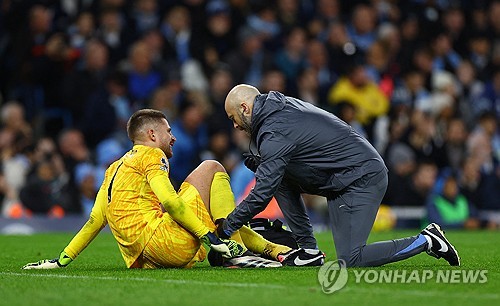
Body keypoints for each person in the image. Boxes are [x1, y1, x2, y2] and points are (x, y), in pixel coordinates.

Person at [23, 109, 302, 270]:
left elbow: (96, 220)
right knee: (212, 167)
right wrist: (211, 238)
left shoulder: (113, 169)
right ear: (153, 135)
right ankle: (237, 251)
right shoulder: (152, 155)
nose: (174, 136)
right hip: (166, 243)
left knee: (218, 216)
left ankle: (270, 249)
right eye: (168, 131)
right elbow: (171, 202)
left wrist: (61, 260)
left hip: (146, 259)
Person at [218, 84, 461, 267]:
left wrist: (227, 227)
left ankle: (427, 240)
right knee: (275, 176)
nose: (235, 126)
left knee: (352, 258)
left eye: (233, 119)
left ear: (244, 108)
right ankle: (309, 250)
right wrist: (265, 165)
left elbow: (261, 195)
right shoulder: (279, 110)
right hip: (341, 177)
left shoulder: (274, 129)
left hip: (362, 177)